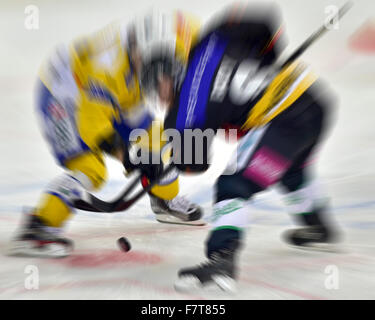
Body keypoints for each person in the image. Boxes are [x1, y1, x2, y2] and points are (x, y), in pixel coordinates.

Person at [138, 2, 341, 292]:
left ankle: (222, 258)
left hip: (281, 119)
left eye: (156, 89)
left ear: (165, 78)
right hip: (312, 103)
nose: (159, 98)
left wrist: (162, 163)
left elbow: (194, 164)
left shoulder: (184, 109)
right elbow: (262, 23)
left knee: (234, 185)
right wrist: (264, 61)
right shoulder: (211, 43)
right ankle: (317, 226)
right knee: (290, 170)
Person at [8, 10, 204, 258]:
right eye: (168, 82)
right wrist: (132, 157)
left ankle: (164, 198)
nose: (169, 95)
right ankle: (38, 226)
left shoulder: (169, 44)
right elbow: (98, 132)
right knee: (90, 169)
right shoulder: (105, 70)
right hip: (65, 97)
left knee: (158, 137)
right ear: (150, 63)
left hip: (115, 90)